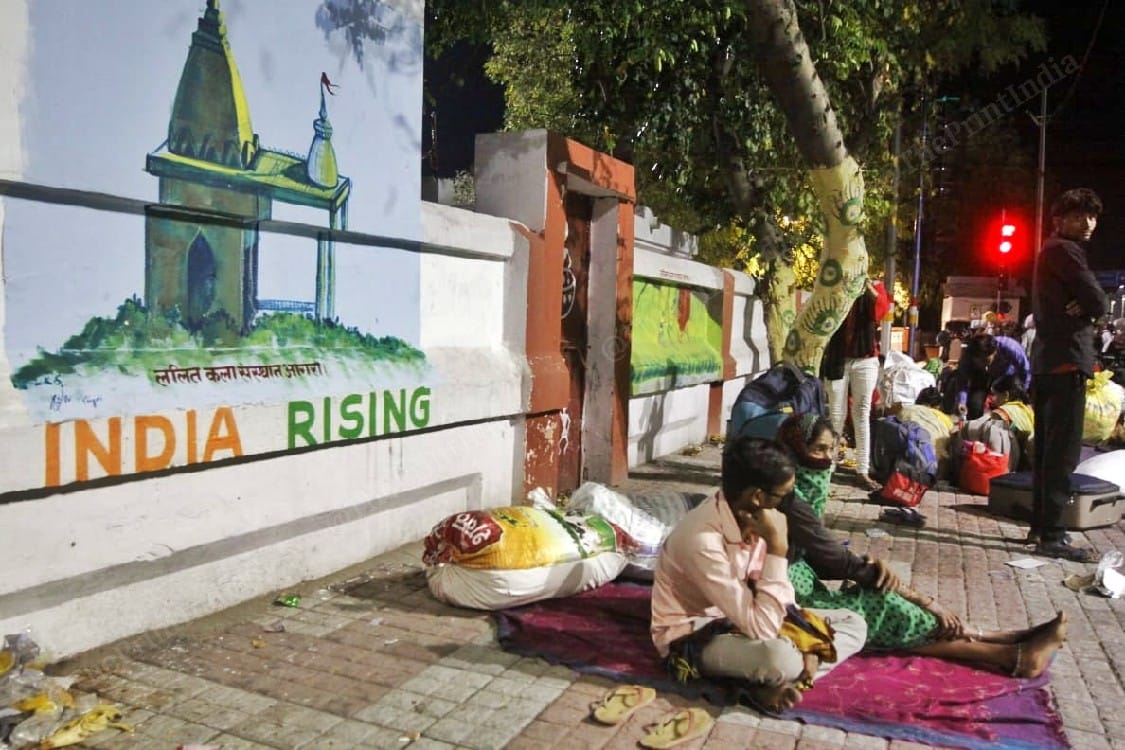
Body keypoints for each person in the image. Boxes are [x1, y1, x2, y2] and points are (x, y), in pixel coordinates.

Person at [775, 414, 1069, 676]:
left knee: (879, 594)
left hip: (800, 581)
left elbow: (820, 552)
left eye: (831, 449)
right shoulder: (786, 494)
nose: (827, 459)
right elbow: (826, 552)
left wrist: (867, 571)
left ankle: (1002, 638)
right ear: (796, 451)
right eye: (818, 450)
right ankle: (1007, 652)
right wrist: (923, 599)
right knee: (881, 603)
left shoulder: (796, 484)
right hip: (782, 593)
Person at [650, 437, 867, 714]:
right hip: (696, 634)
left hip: (746, 618)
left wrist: (809, 643)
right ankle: (773, 678)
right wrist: (778, 547)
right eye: (784, 495)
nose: (787, 504)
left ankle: (779, 678)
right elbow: (762, 628)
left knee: (854, 622)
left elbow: (782, 602)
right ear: (757, 496)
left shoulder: (753, 518)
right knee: (778, 658)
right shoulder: (702, 540)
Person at [1029, 188, 1109, 561]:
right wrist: (1090, 307)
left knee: (1047, 450)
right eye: (1080, 216)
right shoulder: (1065, 250)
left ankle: (1041, 525)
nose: (1088, 224)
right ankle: (1053, 534)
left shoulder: (1049, 250)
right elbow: (1097, 300)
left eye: (1092, 217)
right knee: (1061, 454)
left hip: (1048, 362)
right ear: (1060, 220)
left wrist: (1084, 306)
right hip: (1066, 362)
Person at [822, 277, 891, 491]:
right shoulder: (834, 282)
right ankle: (829, 466)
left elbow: (881, 312)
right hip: (837, 357)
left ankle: (862, 469)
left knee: (861, 413)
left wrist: (868, 288)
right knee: (836, 414)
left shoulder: (874, 286)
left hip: (865, 358)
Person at [953, 333, 1030, 420]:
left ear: (995, 351)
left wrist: (1023, 393)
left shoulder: (1011, 347)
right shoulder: (968, 356)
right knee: (975, 405)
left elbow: (1025, 370)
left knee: (1009, 406)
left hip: (1006, 376)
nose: (984, 365)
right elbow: (962, 380)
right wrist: (962, 401)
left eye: (986, 360)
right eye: (979, 361)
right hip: (980, 376)